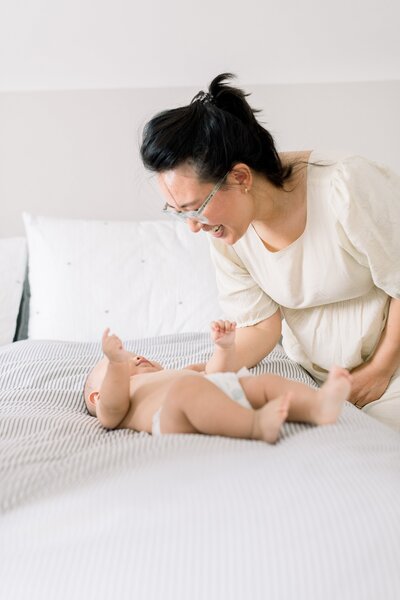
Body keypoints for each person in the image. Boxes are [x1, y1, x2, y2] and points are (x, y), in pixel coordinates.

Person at [140, 73, 400, 432]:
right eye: (179, 212)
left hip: (391, 364)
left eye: (196, 207)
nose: (192, 226)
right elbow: (260, 327)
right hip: (319, 378)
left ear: (241, 178)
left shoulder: (345, 187)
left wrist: (380, 369)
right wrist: (210, 371)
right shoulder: (229, 235)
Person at [84, 322, 351, 443]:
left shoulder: (182, 371)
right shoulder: (117, 401)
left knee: (262, 382)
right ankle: (255, 425)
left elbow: (217, 375)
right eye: (122, 361)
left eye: (131, 354)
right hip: (173, 418)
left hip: (216, 394)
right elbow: (112, 409)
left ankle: (315, 406)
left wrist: (224, 349)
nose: (136, 356)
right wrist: (117, 365)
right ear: (97, 396)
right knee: (187, 390)